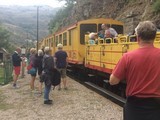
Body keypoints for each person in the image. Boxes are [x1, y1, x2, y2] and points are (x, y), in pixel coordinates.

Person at [109, 21, 160, 120]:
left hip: (134, 107)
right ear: (154, 37)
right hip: (157, 107)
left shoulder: (127, 57)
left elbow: (113, 81)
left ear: (138, 38)